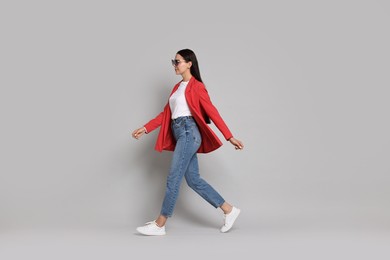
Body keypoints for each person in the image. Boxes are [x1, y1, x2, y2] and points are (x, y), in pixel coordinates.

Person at [132, 49, 244, 236]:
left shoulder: (197, 86)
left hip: (188, 132)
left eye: (178, 61)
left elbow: (212, 112)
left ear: (189, 63)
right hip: (180, 133)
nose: (175, 65)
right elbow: (166, 114)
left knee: (173, 178)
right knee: (193, 180)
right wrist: (146, 128)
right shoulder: (176, 88)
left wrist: (229, 136)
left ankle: (160, 224)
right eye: (173, 62)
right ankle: (229, 210)